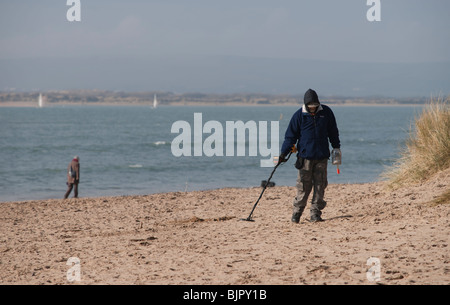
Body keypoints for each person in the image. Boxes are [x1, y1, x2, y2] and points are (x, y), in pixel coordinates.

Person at [279, 89, 341, 223]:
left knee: (320, 186)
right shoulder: (299, 115)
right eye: (310, 106)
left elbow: (333, 132)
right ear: (306, 105)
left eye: (315, 106)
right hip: (305, 157)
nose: (312, 109)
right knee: (303, 187)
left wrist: (336, 148)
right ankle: (297, 213)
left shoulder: (326, 112)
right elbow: (290, 137)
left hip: (322, 157)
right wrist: (283, 153)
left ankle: (315, 213)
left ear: (318, 104)